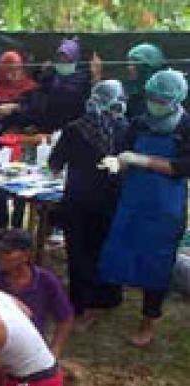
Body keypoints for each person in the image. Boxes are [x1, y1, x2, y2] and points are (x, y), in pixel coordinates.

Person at [97, 69, 190, 347]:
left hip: (165, 205)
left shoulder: (185, 127)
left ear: (175, 100)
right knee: (120, 249)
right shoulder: (138, 123)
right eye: (151, 97)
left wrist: (144, 160)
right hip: (133, 199)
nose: (155, 103)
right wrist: (116, 162)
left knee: (157, 262)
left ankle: (148, 321)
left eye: (161, 99)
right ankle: (105, 301)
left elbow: (184, 167)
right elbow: (122, 151)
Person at [48, 80, 128, 329]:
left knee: (80, 254)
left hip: (78, 201)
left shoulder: (75, 129)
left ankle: (81, 308)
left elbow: (54, 164)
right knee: (107, 249)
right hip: (111, 201)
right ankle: (108, 298)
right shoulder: (123, 128)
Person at [0, 229, 74, 358]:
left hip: (30, 348)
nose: (0, 256)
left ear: (26, 255)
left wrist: (56, 348)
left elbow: (65, 318)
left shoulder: (46, 281)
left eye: (7, 252)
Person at [0, 39, 91, 133]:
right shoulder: (54, 76)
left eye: (67, 60)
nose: (62, 62)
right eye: (60, 58)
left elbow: (54, 102)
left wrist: (18, 107)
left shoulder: (80, 80)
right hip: (41, 127)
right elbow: (39, 93)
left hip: (66, 128)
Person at [0, 50, 37, 230]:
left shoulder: (31, 89)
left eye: (16, 69)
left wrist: (15, 108)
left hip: (24, 143)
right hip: (1, 145)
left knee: (21, 186)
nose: (13, 73)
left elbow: (35, 115)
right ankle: (1, 225)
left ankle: (17, 226)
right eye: (8, 69)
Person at [125, 43, 166, 119]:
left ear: (146, 68)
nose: (129, 68)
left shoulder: (161, 95)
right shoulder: (132, 94)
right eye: (129, 64)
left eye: (134, 64)